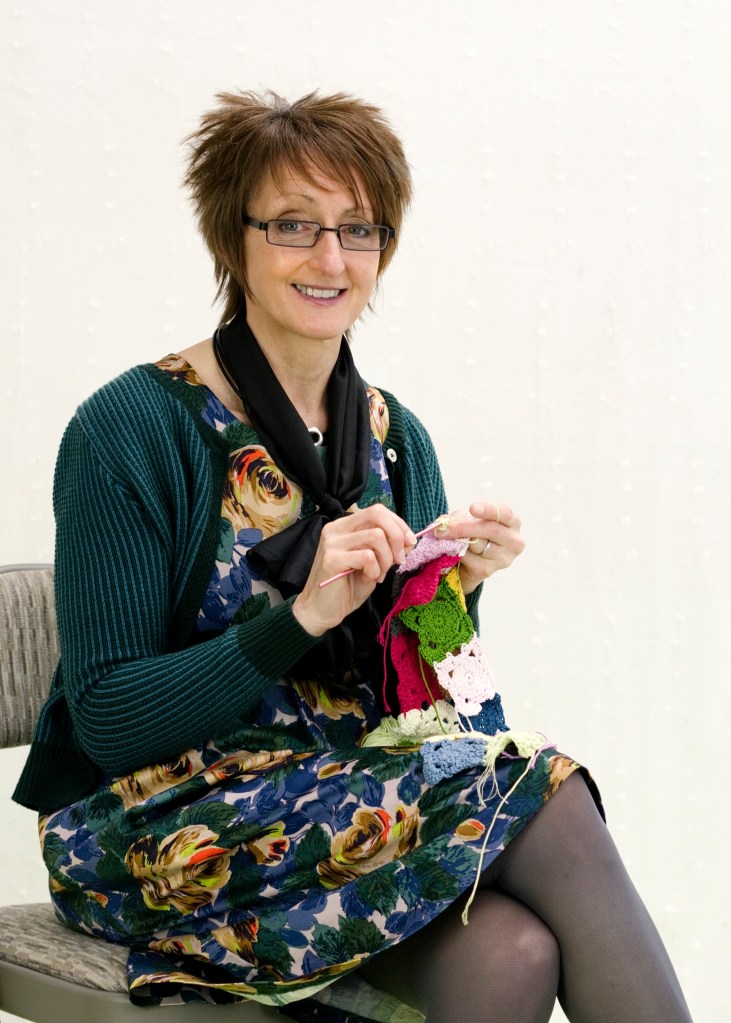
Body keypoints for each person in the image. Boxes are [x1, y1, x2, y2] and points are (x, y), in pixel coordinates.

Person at [14, 90, 692, 1023]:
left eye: (357, 229)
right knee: (547, 788)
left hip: (349, 816)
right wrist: (298, 618)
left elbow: (427, 711)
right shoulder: (129, 428)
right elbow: (108, 720)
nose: (329, 259)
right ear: (232, 240)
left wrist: (452, 593)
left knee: (512, 951)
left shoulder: (394, 439)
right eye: (294, 225)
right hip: (158, 834)